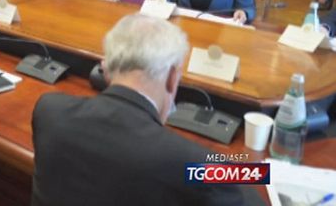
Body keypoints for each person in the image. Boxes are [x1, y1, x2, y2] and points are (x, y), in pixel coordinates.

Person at [32, 14, 264, 206]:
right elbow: (246, 182)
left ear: (106, 70)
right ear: (172, 78)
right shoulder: (195, 164)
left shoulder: (50, 111)